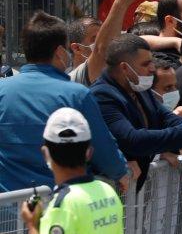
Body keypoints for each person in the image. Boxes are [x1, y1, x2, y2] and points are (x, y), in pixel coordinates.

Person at [0, 13, 128, 192]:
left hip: (9, 212)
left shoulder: (2, 90)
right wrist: (121, 172)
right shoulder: (77, 95)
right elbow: (104, 149)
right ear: (60, 52)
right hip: (62, 209)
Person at [90, 35, 182, 181]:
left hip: (137, 189)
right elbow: (132, 140)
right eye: (145, 64)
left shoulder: (139, 88)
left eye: (151, 62)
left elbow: (166, 118)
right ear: (125, 68)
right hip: (113, 187)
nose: (152, 68)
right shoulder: (102, 95)